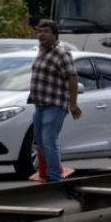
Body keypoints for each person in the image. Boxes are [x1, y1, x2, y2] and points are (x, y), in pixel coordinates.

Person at [27, 19, 82, 182]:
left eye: (46, 31)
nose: (41, 35)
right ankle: (51, 171)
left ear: (55, 34)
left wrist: (73, 103)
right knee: (39, 142)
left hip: (55, 105)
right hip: (40, 105)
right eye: (40, 31)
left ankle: (56, 178)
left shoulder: (61, 52)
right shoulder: (42, 50)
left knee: (49, 140)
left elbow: (72, 77)